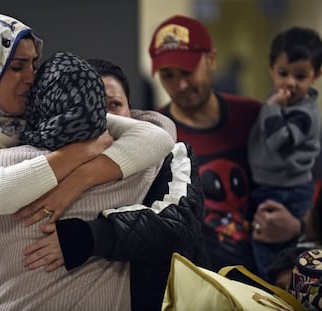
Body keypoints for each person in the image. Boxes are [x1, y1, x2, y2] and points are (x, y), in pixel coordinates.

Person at [0, 13, 174, 310]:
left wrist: (79, 181)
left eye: (34, 63)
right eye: (17, 67)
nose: (31, 76)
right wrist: (77, 153)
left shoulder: (35, 119)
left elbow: (159, 136)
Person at [19, 57, 208, 310]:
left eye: (114, 105)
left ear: (131, 109)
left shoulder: (171, 155)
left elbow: (177, 225)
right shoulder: (50, 159)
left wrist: (87, 235)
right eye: (89, 106)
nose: (103, 118)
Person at [148, 14, 303, 273]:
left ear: (211, 60)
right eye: (168, 76)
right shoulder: (157, 133)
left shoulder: (253, 116)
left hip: (265, 275)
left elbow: (301, 182)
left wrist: (297, 225)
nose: (181, 85)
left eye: (187, 72)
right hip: (194, 283)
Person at [248, 26, 322, 280]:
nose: (290, 82)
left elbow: (280, 141)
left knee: (274, 252)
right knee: (265, 244)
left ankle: (273, 296)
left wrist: (270, 108)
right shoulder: (280, 101)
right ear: (271, 70)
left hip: (288, 189)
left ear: (316, 74)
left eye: (300, 76)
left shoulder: (305, 113)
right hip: (271, 185)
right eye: (283, 73)